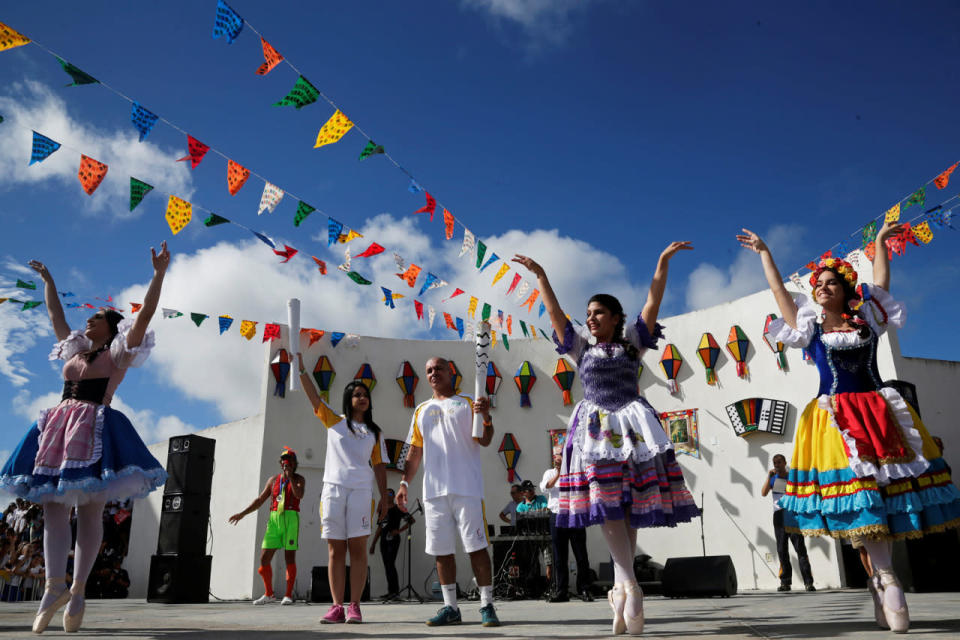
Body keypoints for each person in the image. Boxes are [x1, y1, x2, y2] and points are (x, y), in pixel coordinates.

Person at [738, 223, 960, 633]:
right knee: (861, 500)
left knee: (883, 498)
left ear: (844, 288)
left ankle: (883, 579)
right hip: (834, 420)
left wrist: (878, 245)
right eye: (817, 284)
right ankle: (885, 579)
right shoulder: (812, 329)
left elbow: (881, 281)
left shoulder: (867, 322)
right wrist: (766, 254)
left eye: (828, 283)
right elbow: (781, 296)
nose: (821, 288)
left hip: (878, 412)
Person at [514, 245, 700, 636]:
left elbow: (653, 300)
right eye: (588, 315)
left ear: (616, 317)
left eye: (599, 313)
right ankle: (630, 586)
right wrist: (542, 277)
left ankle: (620, 587)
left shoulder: (634, 342)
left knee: (627, 504)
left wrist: (661, 263)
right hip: (596, 428)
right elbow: (554, 314)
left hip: (632, 425)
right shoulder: (581, 347)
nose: (591, 319)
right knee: (606, 501)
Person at [0, 247, 169, 633]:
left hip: (93, 427)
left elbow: (144, 315)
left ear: (110, 327)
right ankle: (54, 586)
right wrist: (49, 283)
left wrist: (158, 275)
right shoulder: (74, 350)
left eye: (95, 318)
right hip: (59, 427)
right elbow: (56, 316)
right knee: (53, 508)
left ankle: (77, 591)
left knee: (91, 510)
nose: (87, 321)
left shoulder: (118, 354)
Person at [397, 357, 500, 628]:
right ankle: (450, 607)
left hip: (467, 488)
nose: (433, 373)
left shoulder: (469, 402)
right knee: (442, 552)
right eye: (428, 370)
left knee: (476, 547)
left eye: (438, 368)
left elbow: (486, 440)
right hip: (434, 493)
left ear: (450, 372)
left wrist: (487, 417)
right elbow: (414, 452)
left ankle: (487, 604)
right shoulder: (421, 410)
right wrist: (404, 483)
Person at [296, 358, 389, 625]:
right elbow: (313, 396)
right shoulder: (334, 421)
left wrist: (384, 497)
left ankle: (355, 606)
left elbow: (380, 466)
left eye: (365, 395)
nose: (362, 398)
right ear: (348, 399)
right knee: (336, 551)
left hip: (361, 492)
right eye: (357, 394)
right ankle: (337, 606)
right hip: (333, 491)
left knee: (357, 549)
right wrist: (300, 367)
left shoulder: (374, 432)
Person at [229, 448, 305, 606]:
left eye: (289, 460)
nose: (286, 463)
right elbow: (259, 500)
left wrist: (290, 477)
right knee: (264, 558)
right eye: (284, 460)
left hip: (290, 518)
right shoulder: (273, 480)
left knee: (289, 557)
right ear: (281, 463)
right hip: (274, 518)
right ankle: (269, 593)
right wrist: (242, 513)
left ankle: (288, 595)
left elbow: (299, 495)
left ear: (294, 464)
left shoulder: (299, 479)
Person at [542, 454, 593, 603]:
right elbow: (546, 487)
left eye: (563, 454)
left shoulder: (576, 472)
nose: (560, 457)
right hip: (557, 515)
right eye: (558, 454)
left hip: (574, 514)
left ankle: (584, 588)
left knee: (581, 555)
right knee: (559, 556)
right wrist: (559, 473)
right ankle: (561, 591)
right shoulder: (549, 473)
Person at [760, 454, 814, 592]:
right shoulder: (773, 478)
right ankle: (785, 582)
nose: (777, 465)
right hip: (778, 515)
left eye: (779, 462)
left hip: (792, 515)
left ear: (784, 462)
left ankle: (808, 582)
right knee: (781, 550)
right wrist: (768, 476)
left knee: (800, 548)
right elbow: (763, 493)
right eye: (774, 462)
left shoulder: (792, 476)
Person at [369, 487, 415, 599]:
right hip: (384, 540)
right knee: (387, 566)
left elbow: (411, 520)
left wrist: (398, 531)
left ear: (393, 496)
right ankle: (391, 592)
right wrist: (373, 544)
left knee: (390, 564)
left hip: (393, 540)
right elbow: (380, 528)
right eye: (386, 494)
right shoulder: (382, 510)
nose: (388, 495)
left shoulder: (398, 508)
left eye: (390, 494)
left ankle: (395, 592)